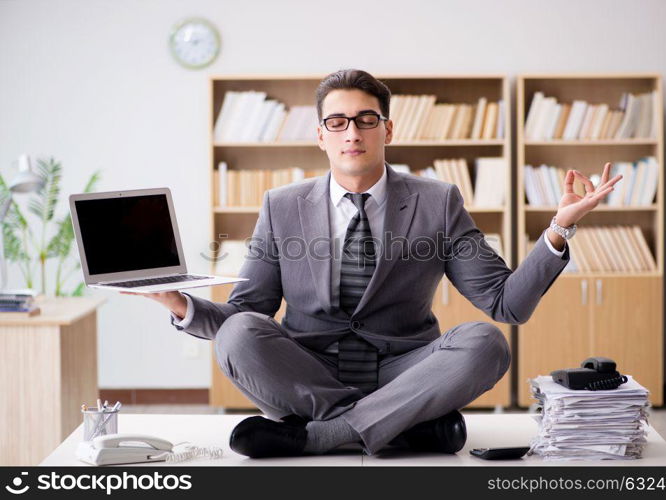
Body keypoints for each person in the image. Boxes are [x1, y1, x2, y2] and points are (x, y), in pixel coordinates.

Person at [124, 69, 622, 458]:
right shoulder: (282, 205)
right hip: (309, 371)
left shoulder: (438, 201)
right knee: (238, 335)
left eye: (365, 120)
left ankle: (320, 437)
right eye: (336, 122)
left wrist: (559, 228)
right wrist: (180, 304)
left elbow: (505, 305)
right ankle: (402, 428)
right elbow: (247, 312)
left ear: (387, 129)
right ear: (321, 136)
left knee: (485, 343)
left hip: (406, 370)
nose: (351, 133)